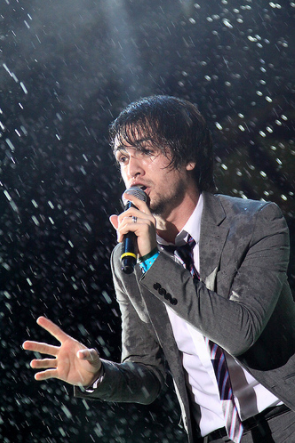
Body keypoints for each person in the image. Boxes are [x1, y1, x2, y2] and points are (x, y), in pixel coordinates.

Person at [23, 96, 295, 443]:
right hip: (216, 436)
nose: (132, 170)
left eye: (146, 151)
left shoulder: (255, 222)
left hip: (286, 417)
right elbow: (147, 376)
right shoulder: (126, 256)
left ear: (190, 159)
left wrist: (153, 260)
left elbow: (240, 331)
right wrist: (97, 375)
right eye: (123, 157)